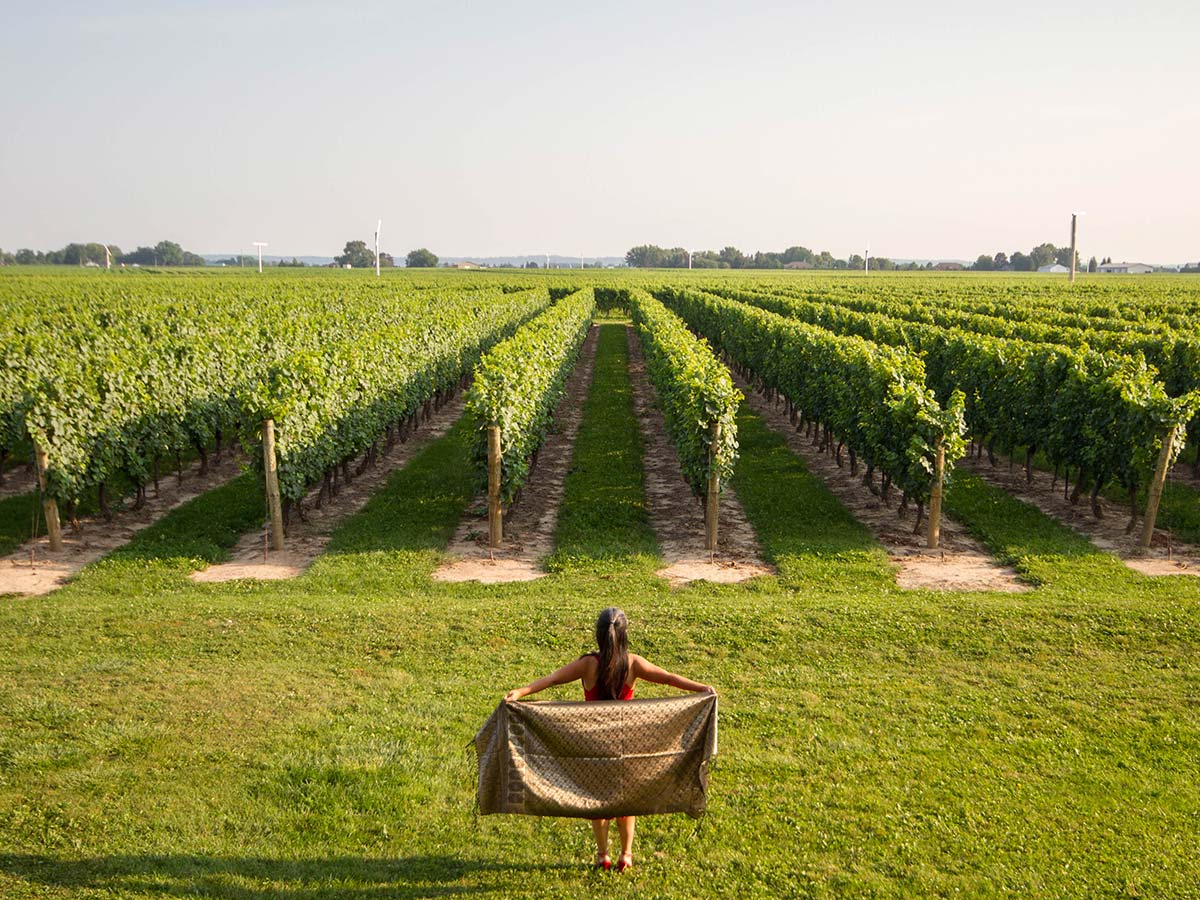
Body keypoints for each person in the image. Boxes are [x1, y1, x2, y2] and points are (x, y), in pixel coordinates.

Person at [504, 606, 716, 873]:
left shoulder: (587, 665)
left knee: (598, 801)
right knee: (626, 801)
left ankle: (602, 854)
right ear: (624, 634)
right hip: (626, 745)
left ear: (598, 635)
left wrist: (521, 691)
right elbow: (669, 679)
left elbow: (553, 679)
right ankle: (626, 854)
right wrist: (701, 688)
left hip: (592, 746)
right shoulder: (633, 663)